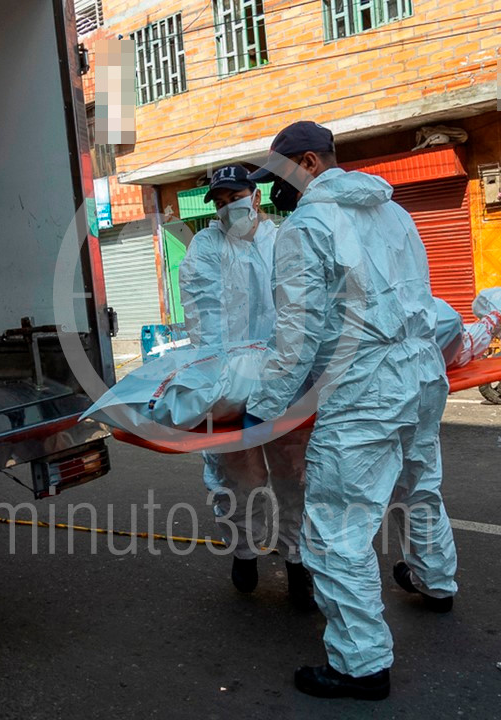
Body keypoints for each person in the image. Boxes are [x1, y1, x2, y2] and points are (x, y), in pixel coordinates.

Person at [243, 122, 458, 700]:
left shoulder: (306, 226)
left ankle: (361, 667)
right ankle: (436, 582)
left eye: (279, 175)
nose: (272, 190)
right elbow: (420, 296)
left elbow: (297, 336)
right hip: (421, 373)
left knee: (336, 529)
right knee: (420, 485)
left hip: (365, 388)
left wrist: (263, 410)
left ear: (309, 162)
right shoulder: (394, 211)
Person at [178, 163, 316, 610]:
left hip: (284, 378)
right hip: (229, 381)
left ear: (255, 197)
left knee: (295, 473)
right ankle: (244, 550)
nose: (226, 208)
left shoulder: (284, 240)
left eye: (234, 198)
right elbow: (202, 317)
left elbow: (303, 309)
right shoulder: (206, 246)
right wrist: (219, 376)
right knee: (239, 476)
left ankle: (296, 561)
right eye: (219, 203)